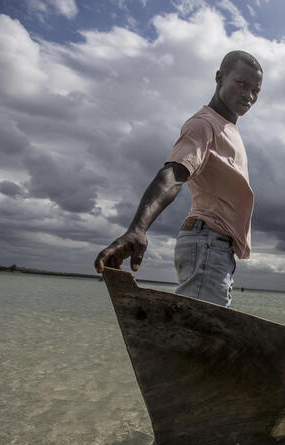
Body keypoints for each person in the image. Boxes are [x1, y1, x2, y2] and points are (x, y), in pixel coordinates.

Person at [94, 51, 263, 307]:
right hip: (207, 243)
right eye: (241, 84)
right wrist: (138, 228)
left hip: (218, 248)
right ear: (220, 78)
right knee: (201, 333)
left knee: (207, 333)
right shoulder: (204, 125)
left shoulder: (227, 128)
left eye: (255, 90)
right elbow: (174, 174)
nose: (248, 96)